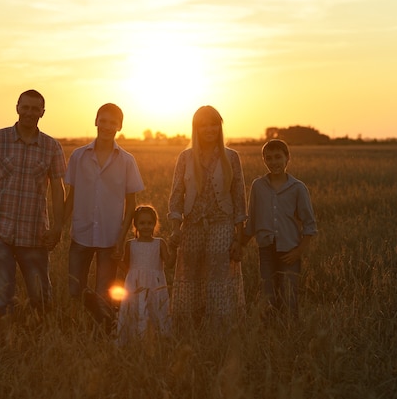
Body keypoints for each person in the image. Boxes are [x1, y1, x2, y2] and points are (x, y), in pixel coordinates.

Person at [0, 89, 66, 327]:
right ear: (17, 107)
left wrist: (57, 228)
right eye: (25, 107)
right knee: (0, 295)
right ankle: (1, 342)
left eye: (35, 108)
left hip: (34, 231)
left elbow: (58, 188)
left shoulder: (51, 147)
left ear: (43, 113)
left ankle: (40, 339)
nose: (29, 112)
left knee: (41, 296)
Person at [64, 103, 144, 332]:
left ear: (120, 126)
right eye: (104, 120)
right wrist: (58, 226)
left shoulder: (127, 160)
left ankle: (100, 332)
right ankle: (75, 330)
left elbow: (132, 205)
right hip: (80, 235)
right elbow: (71, 197)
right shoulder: (79, 156)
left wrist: (121, 239)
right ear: (96, 121)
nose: (108, 126)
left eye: (113, 122)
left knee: (103, 293)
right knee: (74, 289)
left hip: (110, 238)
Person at [168, 105, 247, 330]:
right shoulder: (185, 157)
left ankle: (218, 328)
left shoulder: (232, 157)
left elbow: (239, 197)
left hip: (221, 224)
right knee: (190, 275)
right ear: (196, 128)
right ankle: (188, 325)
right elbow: (176, 195)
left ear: (219, 127)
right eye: (203, 125)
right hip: (191, 224)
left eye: (214, 124)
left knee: (218, 277)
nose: (209, 129)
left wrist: (239, 240)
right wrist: (175, 227)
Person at [243, 139, 317, 320]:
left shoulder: (298, 188)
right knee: (268, 294)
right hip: (266, 249)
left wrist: (298, 252)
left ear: (287, 158)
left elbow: (309, 225)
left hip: (290, 250)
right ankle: (271, 333)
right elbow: (251, 221)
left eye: (278, 157)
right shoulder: (258, 186)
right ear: (264, 161)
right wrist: (238, 244)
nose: (273, 162)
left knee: (289, 295)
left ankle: (290, 332)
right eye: (268, 158)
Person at [116, 205, 171, 345]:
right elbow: (127, 267)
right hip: (135, 284)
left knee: (154, 309)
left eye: (149, 223)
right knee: (136, 309)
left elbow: (169, 263)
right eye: (142, 223)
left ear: (154, 224)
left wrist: (175, 248)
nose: (146, 226)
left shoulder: (160, 243)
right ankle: (135, 340)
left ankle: (157, 340)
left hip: (155, 284)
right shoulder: (130, 244)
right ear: (136, 225)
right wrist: (116, 260)